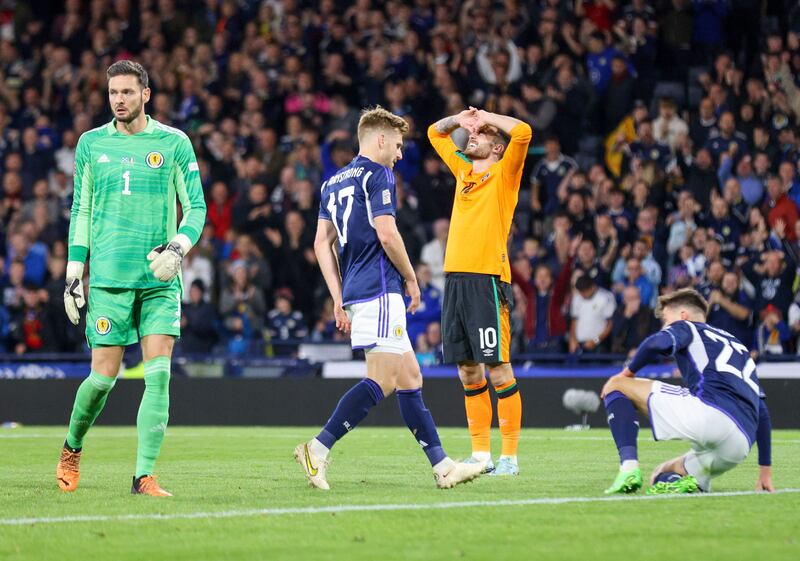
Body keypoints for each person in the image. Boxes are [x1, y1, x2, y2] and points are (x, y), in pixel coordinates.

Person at [294, 106, 483, 491]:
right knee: (380, 380)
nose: (399, 154)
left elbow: (320, 243)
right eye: (397, 146)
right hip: (380, 288)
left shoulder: (332, 182)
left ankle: (443, 466)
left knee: (410, 377)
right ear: (379, 140)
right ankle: (318, 447)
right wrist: (412, 279)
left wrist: (336, 297)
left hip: (358, 291)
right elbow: (387, 233)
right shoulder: (378, 175)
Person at [57, 61, 207, 497]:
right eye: (112, 93)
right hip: (107, 279)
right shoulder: (90, 145)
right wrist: (73, 273)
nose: (118, 100)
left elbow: (196, 207)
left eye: (126, 92)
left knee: (159, 375)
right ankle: (72, 447)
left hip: (159, 280)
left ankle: (143, 476)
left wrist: (178, 247)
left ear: (146, 94)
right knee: (102, 378)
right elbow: (81, 211)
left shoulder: (174, 143)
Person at [427, 107, 532, 475]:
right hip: (454, 280)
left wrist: (488, 115)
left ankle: (510, 458)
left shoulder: (505, 175)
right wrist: (461, 118)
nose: (474, 135)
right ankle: (481, 456)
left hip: (487, 279)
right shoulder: (463, 171)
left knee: (499, 369)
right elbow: (433, 134)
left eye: (483, 134)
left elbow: (523, 133)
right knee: (468, 372)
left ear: (497, 148)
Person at [600, 289, 773, 495]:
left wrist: (626, 374)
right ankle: (689, 484)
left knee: (615, 386)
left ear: (683, 315)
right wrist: (765, 471)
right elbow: (761, 410)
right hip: (739, 445)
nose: (665, 326)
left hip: (711, 413)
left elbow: (656, 343)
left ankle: (628, 469)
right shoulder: (738, 346)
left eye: (666, 319)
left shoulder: (688, 327)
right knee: (661, 474)